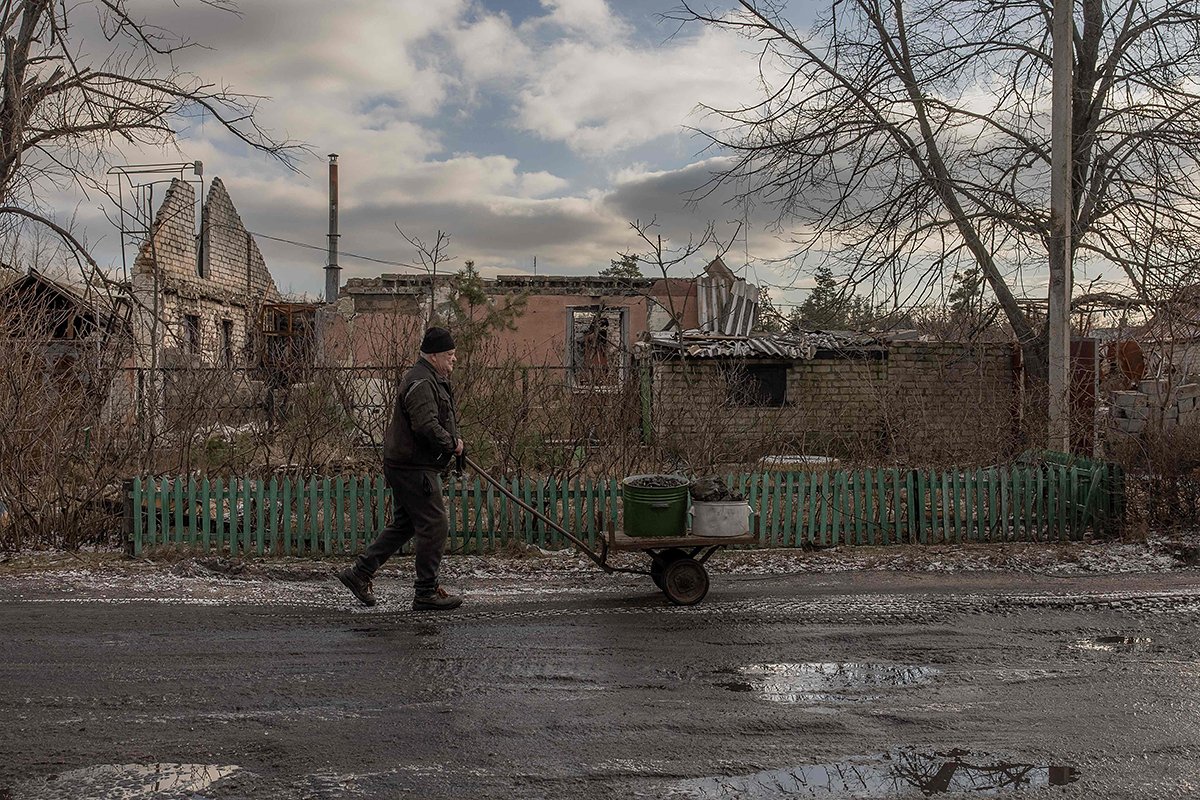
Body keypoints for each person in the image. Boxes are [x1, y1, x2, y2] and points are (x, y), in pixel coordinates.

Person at [338, 326, 464, 611]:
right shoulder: (421, 381)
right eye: (450, 354)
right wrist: (451, 444)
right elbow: (426, 425)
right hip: (412, 466)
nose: (454, 359)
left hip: (410, 463)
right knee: (435, 524)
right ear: (434, 355)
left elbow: (434, 421)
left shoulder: (429, 378)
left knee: (406, 524)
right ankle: (426, 592)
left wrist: (451, 442)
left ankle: (359, 573)